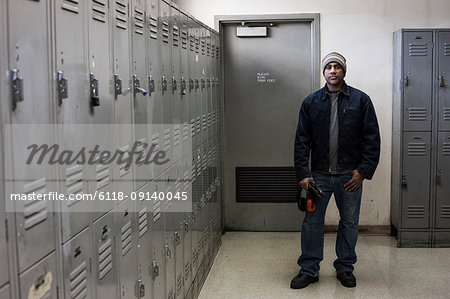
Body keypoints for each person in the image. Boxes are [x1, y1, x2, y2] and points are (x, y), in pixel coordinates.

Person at [291, 52, 381, 289]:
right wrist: (303, 173)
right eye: (329, 67)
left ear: (343, 71)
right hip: (318, 175)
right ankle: (309, 269)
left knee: (349, 222)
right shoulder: (311, 102)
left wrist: (362, 172)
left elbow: (372, 140)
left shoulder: (361, 101)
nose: (333, 70)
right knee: (312, 222)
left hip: (349, 176)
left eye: (337, 67)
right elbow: (302, 140)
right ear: (324, 72)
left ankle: (345, 267)